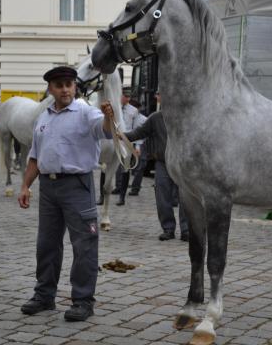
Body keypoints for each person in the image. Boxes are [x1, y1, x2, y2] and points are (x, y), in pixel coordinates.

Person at [17, 66, 114, 322]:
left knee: (84, 245)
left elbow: (104, 129)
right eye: (59, 85)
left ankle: (82, 301)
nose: (65, 89)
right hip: (48, 188)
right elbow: (35, 156)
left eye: (69, 84)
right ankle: (44, 295)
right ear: (50, 89)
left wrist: (108, 117)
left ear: (75, 87)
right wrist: (26, 185)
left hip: (77, 186)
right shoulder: (44, 117)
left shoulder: (85, 111)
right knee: (46, 244)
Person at [124, 110, 189, 242]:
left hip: (182, 163)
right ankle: (168, 229)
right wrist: (122, 135)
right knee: (162, 196)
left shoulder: (186, 114)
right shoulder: (156, 118)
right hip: (162, 162)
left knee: (186, 198)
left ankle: (186, 230)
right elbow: (139, 133)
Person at [110, 86, 142, 206]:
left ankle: (122, 196)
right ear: (120, 96)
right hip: (113, 141)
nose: (127, 99)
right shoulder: (113, 109)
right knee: (106, 168)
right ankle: (103, 196)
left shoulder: (134, 111)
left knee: (125, 169)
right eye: (126, 96)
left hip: (127, 142)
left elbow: (137, 129)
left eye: (129, 97)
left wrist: (137, 146)